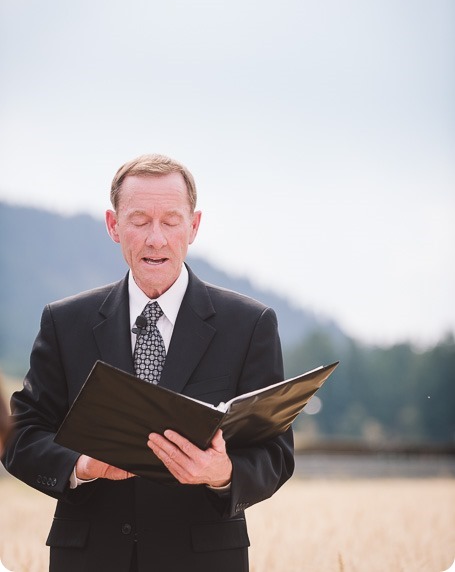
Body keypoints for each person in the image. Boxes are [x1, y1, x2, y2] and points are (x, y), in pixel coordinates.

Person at [1, 153, 294, 572]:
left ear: (193, 226)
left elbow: (276, 453)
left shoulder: (249, 325)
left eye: (171, 220)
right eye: (139, 220)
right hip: (88, 560)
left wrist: (222, 473)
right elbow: (19, 436)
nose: (156, 238)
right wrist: (81, 467)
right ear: (113, 225)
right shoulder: (64, 323)